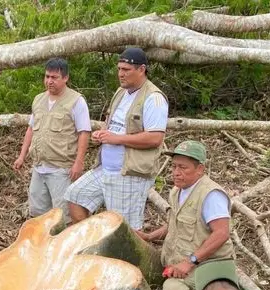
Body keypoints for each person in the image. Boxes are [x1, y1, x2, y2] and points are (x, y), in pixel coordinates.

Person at [63, 47, 168, 230]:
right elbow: (111, 123)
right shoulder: (121, 92)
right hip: (105, 169)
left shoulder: (153, 98)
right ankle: (94, 242)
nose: (120, 74)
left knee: (124, 227)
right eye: (119, 69)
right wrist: (102, 133)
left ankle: (132, 249)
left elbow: (155, 138)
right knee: (75, 196)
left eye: (126, 70)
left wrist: (116, 139)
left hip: (129, 173)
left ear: (142, 69)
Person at [139, 140, 235, 290]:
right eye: (174, 166)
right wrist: (149, 236)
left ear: (200, 169)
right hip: (185, 262)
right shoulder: (178, 191)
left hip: (209, 266)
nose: (176, 172)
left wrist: (190, 262)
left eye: (183, 167)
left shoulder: (211, 195)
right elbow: (175, 224)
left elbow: (221, 233)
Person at [12, 58, 92, 219]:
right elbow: (31, 129)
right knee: (38, 214)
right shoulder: (39, 99)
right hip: (39, 167)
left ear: (65, 78)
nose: (49, 81)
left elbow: (84, 132)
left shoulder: (76, 101)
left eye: (54, 77)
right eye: (47, 76)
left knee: (62, 216)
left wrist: (79, 162)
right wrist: (22, 156)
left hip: (61, 169)